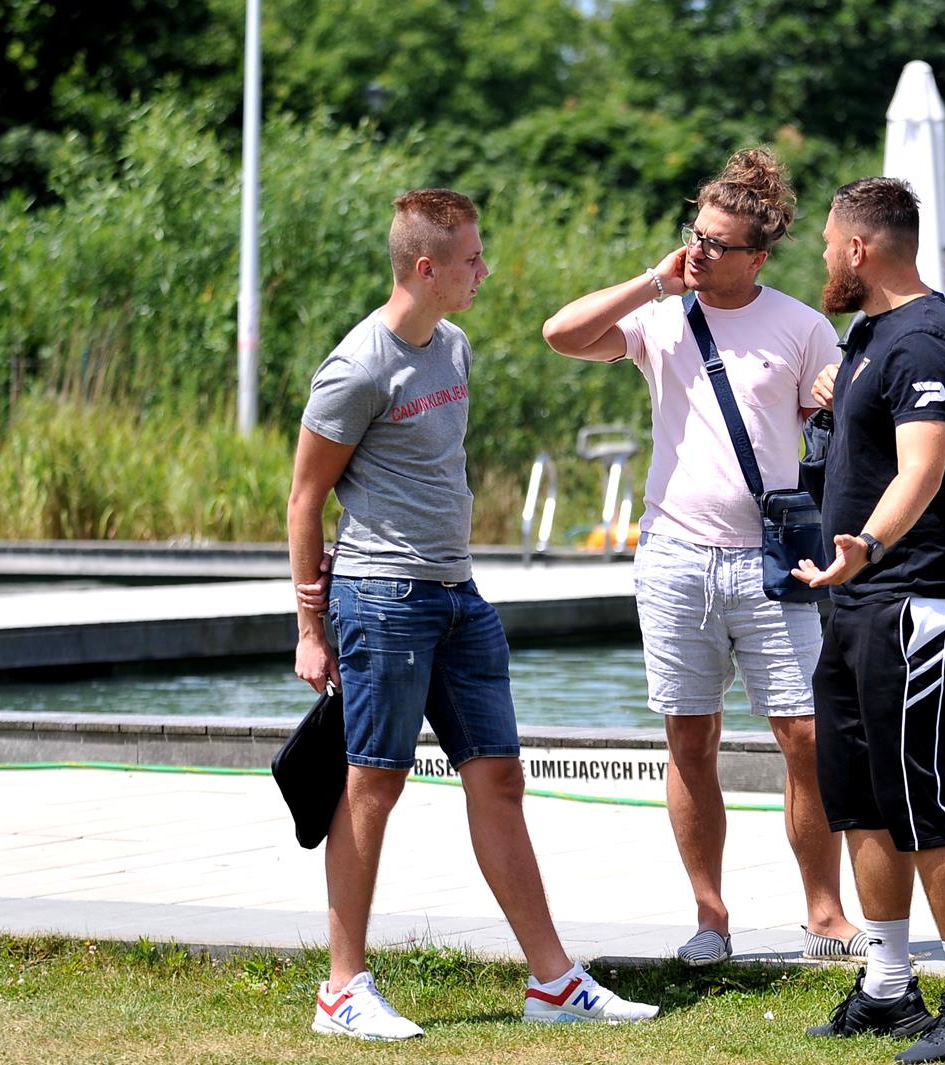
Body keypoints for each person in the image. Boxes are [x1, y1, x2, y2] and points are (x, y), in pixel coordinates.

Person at [288, 188, 658, 1040]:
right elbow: (305, 500)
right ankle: (341, 990)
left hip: (459, 596)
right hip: (381, 597)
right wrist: (310, 627)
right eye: (471, 259)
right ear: (427, 268)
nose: (484, 270)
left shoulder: (453, 347)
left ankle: (553, 981)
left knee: (498, 776)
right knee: (372, 782)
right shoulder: (357, 367)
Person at [542, 149, 865, 966]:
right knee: (690, 738)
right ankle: (710, 918)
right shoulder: (662, 317)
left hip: (772, 560)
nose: (701, 250)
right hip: (675, 557)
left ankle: (825, 914)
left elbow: (839, 419)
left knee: (805, 735)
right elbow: (561, 334)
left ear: (758, 257)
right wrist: (653, 281)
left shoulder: (800, 325)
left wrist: (836, 397)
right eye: (696, 234)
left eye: (719, 244)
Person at [794, 177, 945, 1062]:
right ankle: (888, 988)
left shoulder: (925, 337)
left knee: (922, 796)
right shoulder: (873, 336)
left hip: (914, 597)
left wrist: (870, 545)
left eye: (827, 242)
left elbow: (922, 467)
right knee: (858, 796)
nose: (823, 256)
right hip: (858, 599)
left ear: (859, 248)